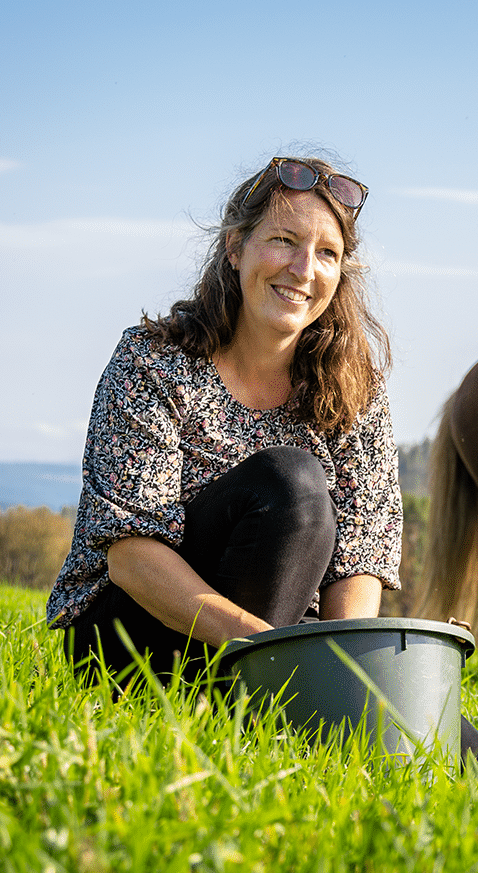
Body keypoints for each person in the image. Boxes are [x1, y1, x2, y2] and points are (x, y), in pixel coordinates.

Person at [47, 156, 402, 687]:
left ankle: (254, 702)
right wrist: (275, 654)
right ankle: (251, 698)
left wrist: (340, 679)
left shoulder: (356, 393)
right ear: (235, 248)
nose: (303, 270)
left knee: (447, 744)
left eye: (326, 253)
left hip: (282, 641)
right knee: (292, 483)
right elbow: (131, 557)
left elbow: (360, 560)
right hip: (127, 645)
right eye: (283, 240)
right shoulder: (154, 365)